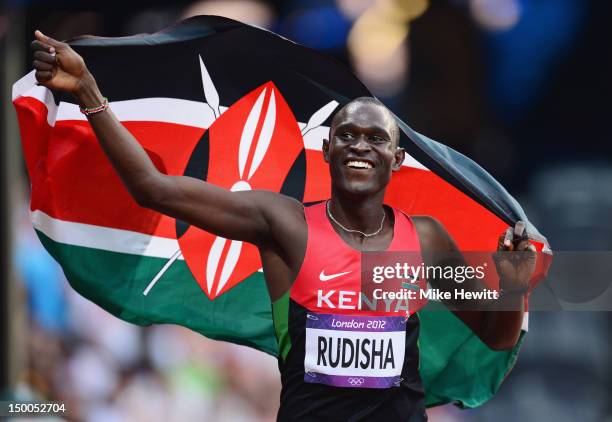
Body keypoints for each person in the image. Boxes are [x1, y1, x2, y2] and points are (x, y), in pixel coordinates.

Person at [30, 30, 536, 421]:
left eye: (376, 139)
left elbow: (493, 333)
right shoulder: (283, 223)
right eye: (348, 135)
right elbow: (153, 188)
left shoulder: (426, 240)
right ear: (326, 148)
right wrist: (90, 93)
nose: (360, 145)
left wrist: (512, 286)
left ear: (397, 158)